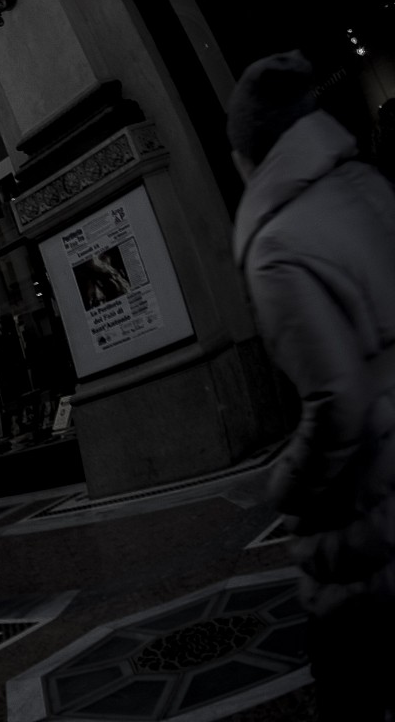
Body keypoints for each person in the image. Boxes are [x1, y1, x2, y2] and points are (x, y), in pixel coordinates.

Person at [229, 51, 395, 719]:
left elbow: (337, 404)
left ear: (252, 152)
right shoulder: (369, 184)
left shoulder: (276, 245)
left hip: (369, 507)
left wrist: (287, 483)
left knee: (349, 686)